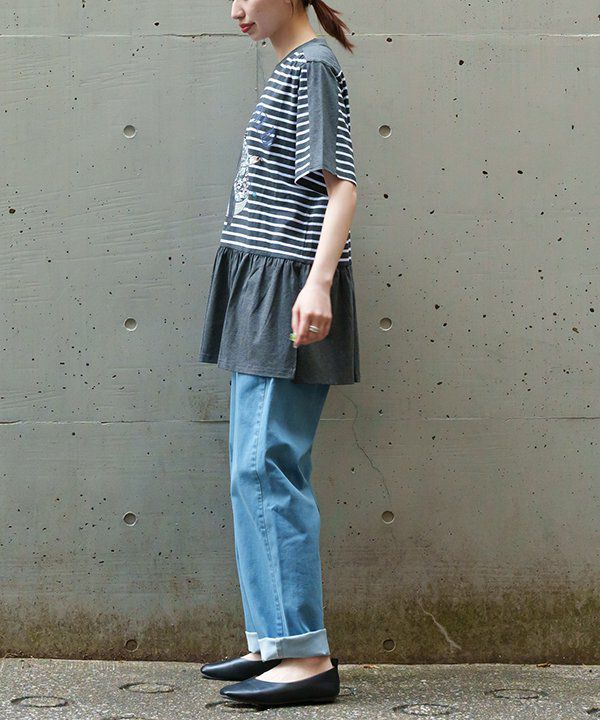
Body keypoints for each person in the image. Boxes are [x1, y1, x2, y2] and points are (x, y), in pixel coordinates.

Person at [198, 0, 359, 707]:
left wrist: (318, 284)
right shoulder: (290, 68)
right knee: (250, 470)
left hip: (289, 294)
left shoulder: (314, 66)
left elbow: (341, 187)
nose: (235, 8)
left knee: (270, 467)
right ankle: (273, 640)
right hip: (262, 291)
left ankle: (305, 655)